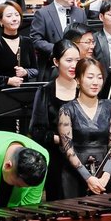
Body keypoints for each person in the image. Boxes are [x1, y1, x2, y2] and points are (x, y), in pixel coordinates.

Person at [56, 58, 111, 198]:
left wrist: (106, 175)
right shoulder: (67, 110)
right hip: (75, 175)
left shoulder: (110, 109)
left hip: (104, 176)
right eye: (90, 77)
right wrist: (88, 177)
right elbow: (68, 149)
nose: (95, 82)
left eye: (99, 77)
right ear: (78, 80)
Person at [29, 39, 80, 200]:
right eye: (69, 60)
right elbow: (36, 131)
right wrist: (62, 139)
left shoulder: (86, 88)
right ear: (56, 62)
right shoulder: (45, 91)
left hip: (85, 156)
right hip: (57, 160)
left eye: (77, 60)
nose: (74, 65)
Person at [0, 2, 40, 131]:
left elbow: (36, 70)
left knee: (25, 133)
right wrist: (8, 80)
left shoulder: (27, 42)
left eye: (17, 15)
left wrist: (26, 72)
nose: (14, 18)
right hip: (3, 97)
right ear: (0, 21)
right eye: (9, 15)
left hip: (25, 96)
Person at [29, 0, 87, 67]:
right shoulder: (42, 13)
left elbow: (85, 38)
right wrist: (59, 50)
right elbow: (36, 40)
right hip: (51, 66)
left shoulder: (80, 13)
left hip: (77, 66)